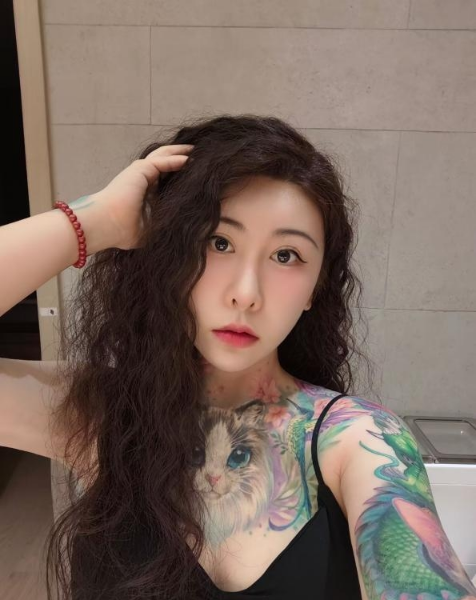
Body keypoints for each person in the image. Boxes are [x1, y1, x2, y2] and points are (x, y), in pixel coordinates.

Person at [1, 114, 475, 600]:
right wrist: (95, 222)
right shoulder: (101, 414)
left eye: (286, 255)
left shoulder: (359, 441)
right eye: (218, 241)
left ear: (314, 289)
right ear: (170, 255)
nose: (246, 294)